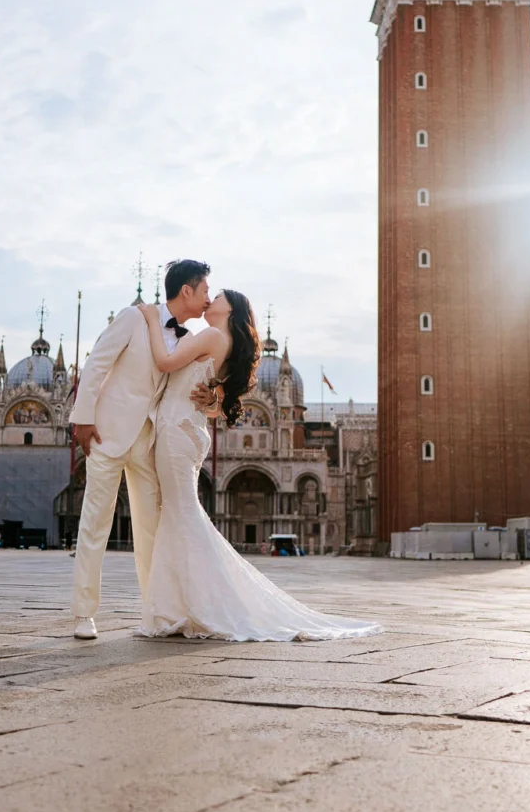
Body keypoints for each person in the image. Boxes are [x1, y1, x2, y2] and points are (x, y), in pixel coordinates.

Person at [134, 290, 381, 641]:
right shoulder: (229, 345)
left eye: (215, 295)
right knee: (183, 517)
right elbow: (219, 405)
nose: (209, 298)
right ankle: (186, 605)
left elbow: (164, 362)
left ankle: (186, 607)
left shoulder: (210, 336)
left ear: (230, 309)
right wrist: (216, 398)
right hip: (189, 433)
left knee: (179, 516)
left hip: (178, 433)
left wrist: (149, 319)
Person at [69, 260, 212, 639]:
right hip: (107, 435)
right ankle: (85, 613)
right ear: (187, 291)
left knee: (152, 530)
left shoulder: (189, 338)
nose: (207, 299)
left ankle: (157, 613)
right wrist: (82, 418)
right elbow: (97, 362)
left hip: (149, 442)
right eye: (204, 291)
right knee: (95, 523)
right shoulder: (133, 318)